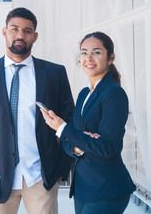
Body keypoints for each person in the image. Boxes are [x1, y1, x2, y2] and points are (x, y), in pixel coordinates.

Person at [0, 7, 74, 214]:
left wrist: (61, 167)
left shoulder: (55, 73)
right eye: (14, 29)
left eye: (27, 31)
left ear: (35, 36)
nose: (20, 35)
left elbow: (69, 121)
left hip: (41, 177)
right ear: (4, 32)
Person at [40, 32, 136, 214]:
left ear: (110, 58)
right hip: (84, 189)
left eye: (97, 52)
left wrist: (62, 129)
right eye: (84, 53)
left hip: (106, 189)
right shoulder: (84, 93)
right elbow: (70, 143)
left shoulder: (114, 94)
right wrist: (78, 146)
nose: (88, 58)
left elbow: (108, 147)